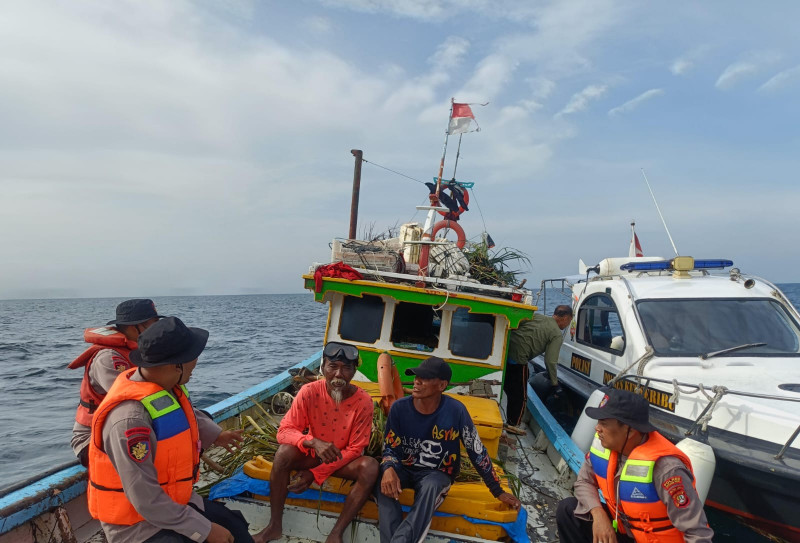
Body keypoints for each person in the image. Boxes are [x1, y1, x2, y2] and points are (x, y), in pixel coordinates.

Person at [87, 316, 251, 543]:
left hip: (175, 504)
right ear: (176, 365)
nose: (196, 362)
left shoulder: (165, 386)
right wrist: (204, 530)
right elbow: (146, 499)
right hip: (139, 526)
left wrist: (216, 435)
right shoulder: (130, 421)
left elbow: (188, 415)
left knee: (237, 528)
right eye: (192, 356)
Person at [377, 356, 521, 543]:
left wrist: (497, 490)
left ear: (442, 385)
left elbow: (476, 451)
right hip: (404, 468)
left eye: (425, 378)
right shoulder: (399, 408)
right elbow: (390, 447)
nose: (417, 381)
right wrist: (388, 468)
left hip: (436, 474)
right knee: (382, 482)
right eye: (416, 376)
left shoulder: (456, 411)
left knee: (431, 487)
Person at [253, 341, 378, 543]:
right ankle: (274, 526)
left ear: (354, 371)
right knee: (283, 453)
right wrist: (312, 442)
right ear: (323, 367)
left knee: (370, 467)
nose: (338, 375)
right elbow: (284, 431)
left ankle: (335, 534)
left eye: (346, 368)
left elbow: (356, 449)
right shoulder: (309, 391)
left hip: (342, 461)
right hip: (313, 455)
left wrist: (316, 473)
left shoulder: (363, 401)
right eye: (333, 366)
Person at [556, 387, 714, 543]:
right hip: (624, 532)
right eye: (598, 422)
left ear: (630, 430)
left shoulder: (667, 469)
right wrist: (598, 515)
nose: (597, 428)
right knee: (568, 510)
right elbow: (584, 482)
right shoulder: (604, 446)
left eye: (604, 423)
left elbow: (698, 533)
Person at [68, 298, 163, 466]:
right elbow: (131, 397)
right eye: (152, 324)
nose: (157, 328)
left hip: (127, 427)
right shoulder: (108, 357)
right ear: (133, 327)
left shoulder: (139, 350)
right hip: (91, 438)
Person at [504, 304, 573, 427]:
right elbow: (550, 361)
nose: (567, 325)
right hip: (519, 358)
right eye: (569, 322)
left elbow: (518, 323)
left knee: (509, 387)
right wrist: (555, 384)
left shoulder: (538, 317)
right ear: (565, 318)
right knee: (520, 396)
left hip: (505, 350)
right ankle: (513, 425)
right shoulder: (556, 334)